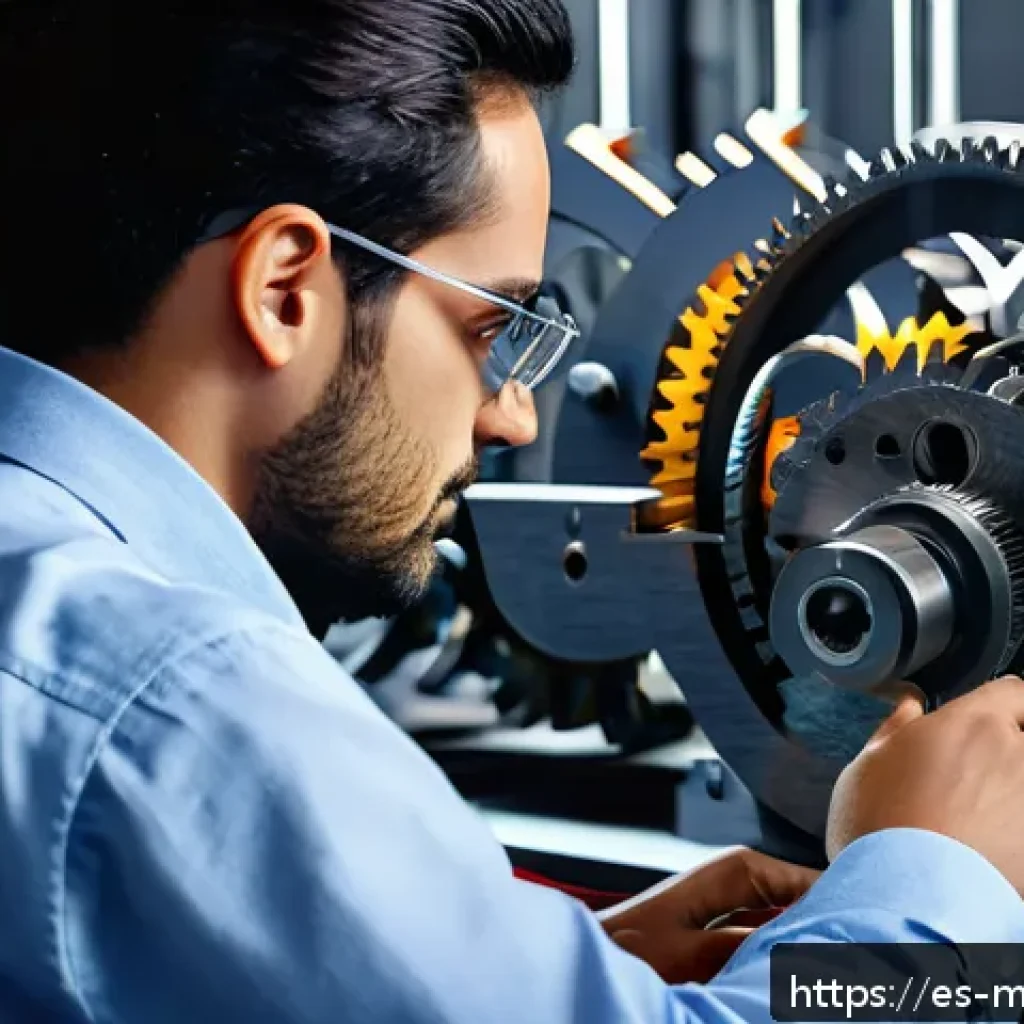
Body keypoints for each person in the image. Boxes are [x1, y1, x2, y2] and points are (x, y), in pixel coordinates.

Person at [0, 1, 1022, 1021]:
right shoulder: (174, 704)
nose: (513, 413)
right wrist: (936, 886)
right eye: (492, 327)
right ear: (284, 292)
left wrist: (570, 971)